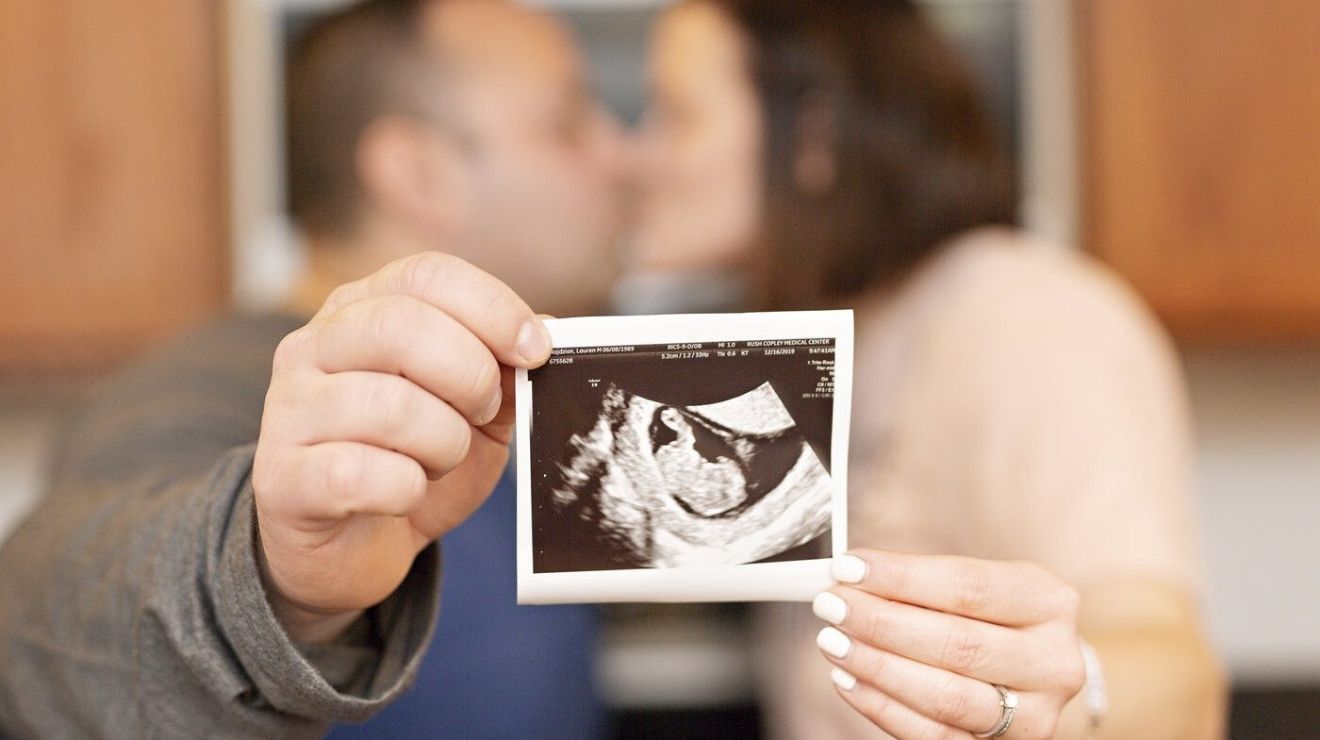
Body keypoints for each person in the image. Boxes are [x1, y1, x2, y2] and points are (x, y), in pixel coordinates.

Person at [0, 0, 622, 736]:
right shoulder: (204, 384)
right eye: (569, 123)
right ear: (418, 173)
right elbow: (50, 610)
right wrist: (268, 580)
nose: (623, 155)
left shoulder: (524, 393)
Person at [629, 0, 1227, 737]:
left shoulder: (1026, 319)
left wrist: (1063, 707)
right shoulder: (817, 345)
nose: (637, 155)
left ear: (813, 135)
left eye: (676, 114)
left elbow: (1179, 681)